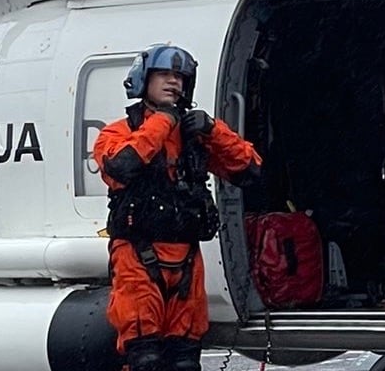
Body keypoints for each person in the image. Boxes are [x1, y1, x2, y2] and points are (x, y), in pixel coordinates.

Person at [93, 44, 262, 371]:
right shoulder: (117, 132)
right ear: (144, 79)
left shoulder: (192, 138)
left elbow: (250, 171)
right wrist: (164, 120)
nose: (174, 82)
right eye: (164, 74)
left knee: (185, 360)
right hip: (138, 256)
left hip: (186, 260)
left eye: (180, 77)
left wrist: (213, 130)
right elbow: (121, 167)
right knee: (144, 357)